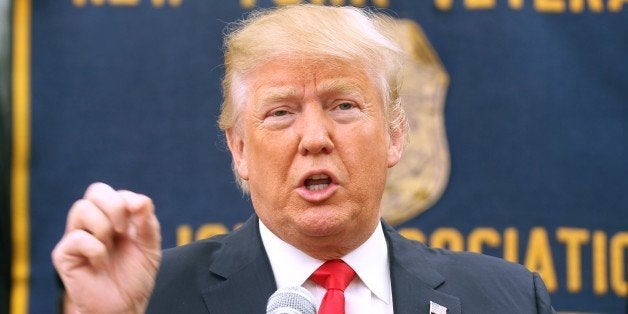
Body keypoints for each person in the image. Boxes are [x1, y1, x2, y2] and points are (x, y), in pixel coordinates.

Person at [52, 5, 556, 314]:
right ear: (240, 149)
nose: (314, 138)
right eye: (280, 112)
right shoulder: (150, 300)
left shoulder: (508, 299)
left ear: (396, 137)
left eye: (343, 106)